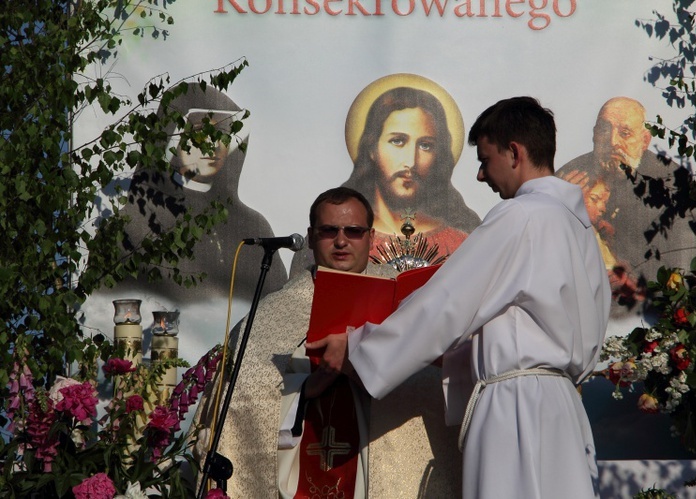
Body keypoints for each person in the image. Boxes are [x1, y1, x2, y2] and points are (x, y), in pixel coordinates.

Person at [308, 97, 611, 498]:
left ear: (515, 153)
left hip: (515, 410)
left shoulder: (522, 217)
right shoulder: (579, 229)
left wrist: (359, 349)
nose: (482, 176)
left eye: (485, 160)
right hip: (562, 410)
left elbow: (447, 304)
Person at [191, 187, 461, 498]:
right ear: (311, 235)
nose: (341, 241)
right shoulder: (275, 312)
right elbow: (244, 396)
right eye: (329, 230)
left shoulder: (409, 304)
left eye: (354, 231)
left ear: (371, 236)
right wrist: (304, 390)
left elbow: (433, 388)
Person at [118, 82, 287, 304]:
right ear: (171, 138)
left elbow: (280, 307)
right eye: (200, 133)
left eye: (223, 135)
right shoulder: (134, 222)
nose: (214, 145)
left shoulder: (253, 226)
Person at [289, 82, 481, 276]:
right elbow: (302, 296)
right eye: (397, 141)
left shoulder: (462, 244)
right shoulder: (327, 239)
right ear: (372, 148)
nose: (410, 162)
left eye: (425, 145)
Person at [557, 96, 696, 318]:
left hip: (646, 318)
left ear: (645, 141)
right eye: (605, 131)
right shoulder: (570, 176)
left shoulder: (673, 182)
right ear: (594, 134)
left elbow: (689, 267)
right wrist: (557, 207)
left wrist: (639, 280)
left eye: (625, 133)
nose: (613, 142)